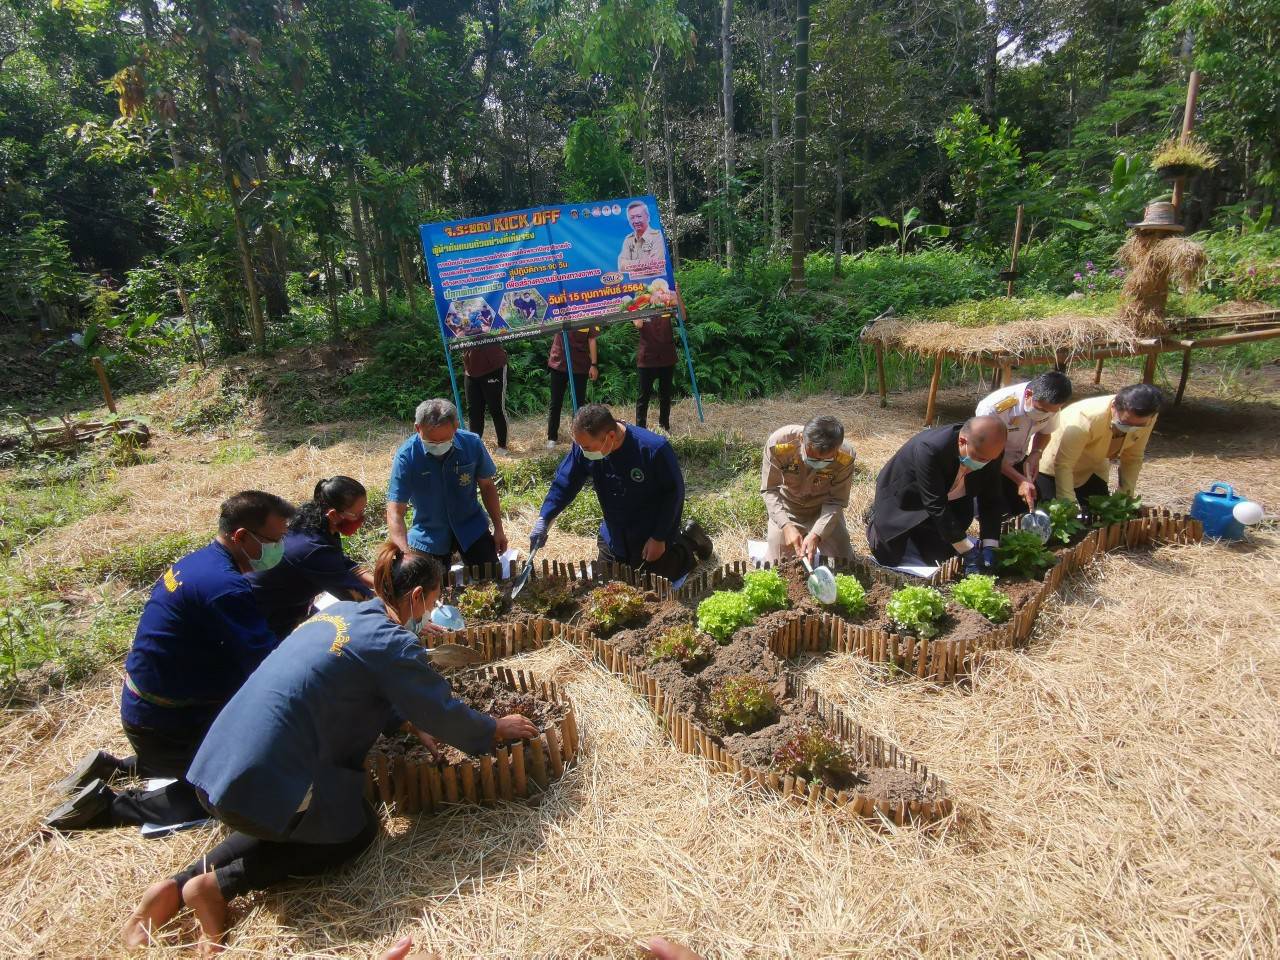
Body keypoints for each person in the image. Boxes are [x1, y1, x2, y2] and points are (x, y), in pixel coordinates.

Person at [120, 543, 539, 955]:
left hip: (220, 769)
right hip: (268, 775)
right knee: (354, 829)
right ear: (416, 597)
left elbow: (354, 680)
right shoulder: (395, 643)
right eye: (433, 600)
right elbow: (443, 711)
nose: (432, 609)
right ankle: (217, 886)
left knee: (291, 814)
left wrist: (405, 719)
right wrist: (493, 727)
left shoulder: (339, 613)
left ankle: (176, 885)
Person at [45, 491, 295, 832]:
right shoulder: (224, 588)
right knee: (238, 787)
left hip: (148, 707)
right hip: (166, 723)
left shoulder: (198, 563)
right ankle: (110, 808)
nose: (279, 546)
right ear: (241, 537)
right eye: (274, 539)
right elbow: (265, 666)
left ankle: (115, 769)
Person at [531, 404, 712, 581]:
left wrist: (659, 537)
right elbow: (565, 483)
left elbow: (674, 493)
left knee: (652, 581)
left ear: (610, 436)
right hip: (614, 532)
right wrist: (544, 518)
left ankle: (690, 540)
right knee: (608, 581)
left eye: (586, 447)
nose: (582, 451)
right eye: (580, 446)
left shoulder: (653, 449)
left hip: (649, 530)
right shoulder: (584, 449)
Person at [865, 417, 1007, 571]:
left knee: (941, 558)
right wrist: (967, 550)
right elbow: (936, 504)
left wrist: (990, 545)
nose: (984, 463)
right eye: (980, 458)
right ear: (962, 442)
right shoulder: (931, 448)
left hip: (951, 498)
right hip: (908, 499)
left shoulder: (991, 451)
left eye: (989, 460)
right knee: (889, 556)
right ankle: (874, 520)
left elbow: (991, 500)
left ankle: (924, 531)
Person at [388, 399, 508, 572]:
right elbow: (395, 511)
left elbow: (487, 486)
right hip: (428, 532)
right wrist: (404, 554)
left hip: (471, 525)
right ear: (417, 428)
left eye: (444, 440)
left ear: (456, 426)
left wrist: (498, 528)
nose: (438, 446)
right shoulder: (406, 456)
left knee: (490, 574)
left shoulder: (472, 444)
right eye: (431, 441)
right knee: (428, 584)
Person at [250, 476, 376, 641]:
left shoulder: (316, 524)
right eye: (357, 514)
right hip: (266, 619)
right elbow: (359, 598)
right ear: (333, 514)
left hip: (293, 604)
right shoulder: (313, 550)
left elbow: (340, 562)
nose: (362, 518)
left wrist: (378, 582)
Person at [1036, 383, 1162, 507]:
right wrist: (1070, 506)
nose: (1132, 428)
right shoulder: (1085, 418)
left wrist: (1125, 497)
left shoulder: (1147, 417)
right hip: (1053, 466)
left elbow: (1133, 457)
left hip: (1091, 468)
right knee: (1053, 514)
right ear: (1113, 407)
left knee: (1101, 513)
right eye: (1125, 423)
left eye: (1138, 426)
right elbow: (1064, 464)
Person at [975, 370, 1073, 515]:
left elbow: (1045, 433)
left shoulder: (1051, 406)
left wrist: (1036, 453)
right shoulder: (993, 409)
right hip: (988, 465)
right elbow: (986, 453)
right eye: (1041, 409)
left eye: (1050, 412)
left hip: (1017, 461)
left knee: (1027, 507)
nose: (1045, 414)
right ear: (1028, 395)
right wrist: (1019, 480)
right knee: (995, 512)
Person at [761, 416, 856, 563]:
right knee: (780, 564)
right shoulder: (779, 444)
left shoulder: (845, 456)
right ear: (801, 439)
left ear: (837, 448)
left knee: (843, 562)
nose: (818, 464)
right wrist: (786, 525)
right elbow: (770, 490)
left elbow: (836, 501)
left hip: (823, 511)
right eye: (812, 458)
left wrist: (817, 533)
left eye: (826, 461)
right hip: (788, 508)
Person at [546, 326, 598, 449]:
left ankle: (578, 438)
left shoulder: (588, 313)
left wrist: (594, 364)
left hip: (580, 365)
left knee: (579, 404)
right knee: (555, 402)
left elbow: (592, 339)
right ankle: (552, 437)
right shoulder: (559, 309)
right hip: (558, 363)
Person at [461, 339, 510, 455]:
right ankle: (474, 446)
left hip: (493, 366)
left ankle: (502, 446)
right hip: (471, 369)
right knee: (474, 411)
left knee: (496, 408)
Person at [633, 310, 676, 433]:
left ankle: (664, 427)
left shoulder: (666, 298)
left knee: (665, 394)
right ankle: (640, 431)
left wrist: (676, 293)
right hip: (647, 356)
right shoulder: (638, 301)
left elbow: (682, 316)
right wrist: (641, 304)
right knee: (643, 396)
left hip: (667, 354)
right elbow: (638, 324)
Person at [617, 200, 666, 278]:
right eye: (632, 218)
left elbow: (656, 266)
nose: (636, 221)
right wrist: (644, 263)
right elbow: (621, 266)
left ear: (648, 217)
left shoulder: (658, 236)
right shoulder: (628, 239)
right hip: (635, 287)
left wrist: (630, 265)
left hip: (656, 286)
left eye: (639, 216)